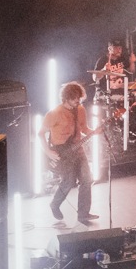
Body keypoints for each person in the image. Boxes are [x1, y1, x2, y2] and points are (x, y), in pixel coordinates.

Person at [42, 80, 100, 224]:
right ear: (66, 98)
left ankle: (83, 214)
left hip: (78, 150)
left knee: (86, 179)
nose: (78, 101)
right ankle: (55, 204)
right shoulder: (54, 113)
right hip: (62, 152)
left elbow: (84, 128)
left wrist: (95, 131)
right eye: (74, 98)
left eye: (79, 98)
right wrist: (48, 152)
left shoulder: (80, 109)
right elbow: (40, 133)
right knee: (68, 182)